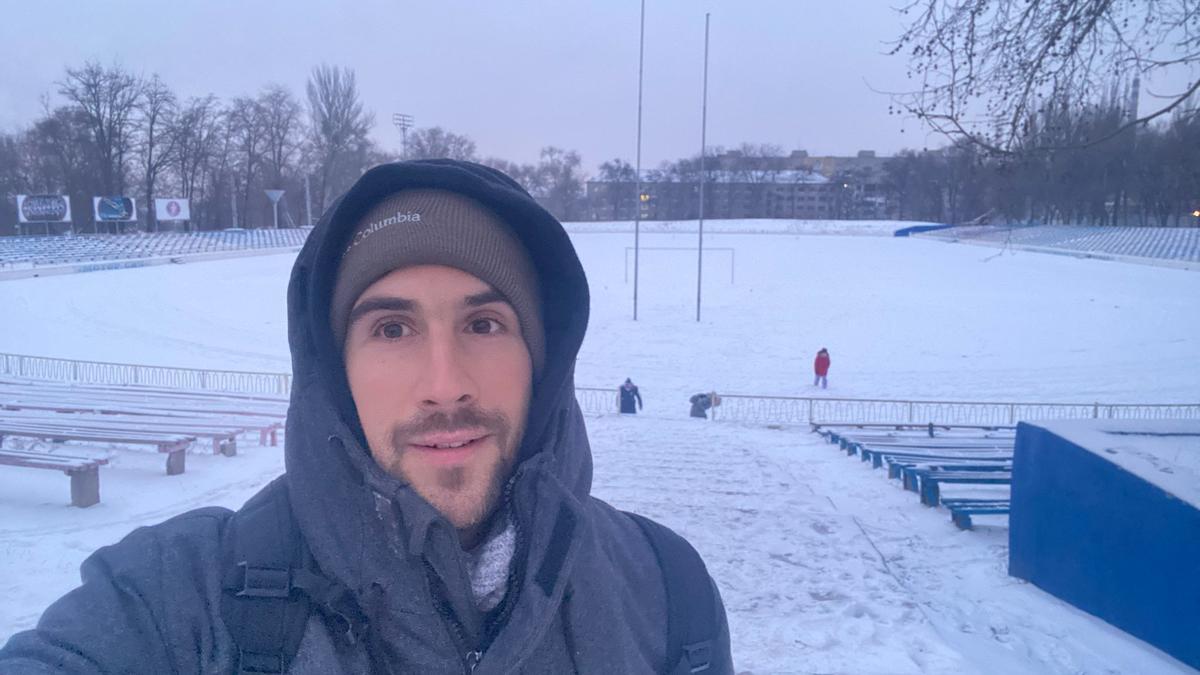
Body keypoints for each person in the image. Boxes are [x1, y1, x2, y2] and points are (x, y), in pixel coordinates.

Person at [0, 160, 733, 674]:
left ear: (542, 359)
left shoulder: (672, 595)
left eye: (484, 324)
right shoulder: (179, 600)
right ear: (335, 369)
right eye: (391, 329)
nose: (445, 387)